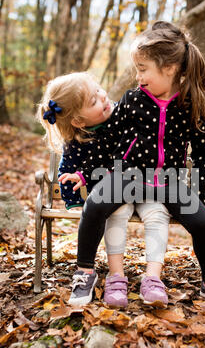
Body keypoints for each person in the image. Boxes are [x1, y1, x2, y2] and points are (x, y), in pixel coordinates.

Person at [65, 21, 205, 309]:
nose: (138, 76)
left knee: (203, 222)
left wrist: (201, 192)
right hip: (128, 176)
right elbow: (108, 139)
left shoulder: (190, 104)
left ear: (169, 68)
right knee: (94, 206)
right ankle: (85, 272)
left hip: (168, 181)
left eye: (143, 68)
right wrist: (86, 173)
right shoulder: (132, 100)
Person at [37, 72, 171, 307]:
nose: (103, 96)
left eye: (98, 89)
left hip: (147, 184)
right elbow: (67, 172)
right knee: (116, 214)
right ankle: (116, 277)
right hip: (113, 193)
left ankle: (153, 278)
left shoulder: (124, 113)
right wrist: (74, 202)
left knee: (157, 214)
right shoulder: (77, 141)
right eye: (93, 101)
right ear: (78, 121)